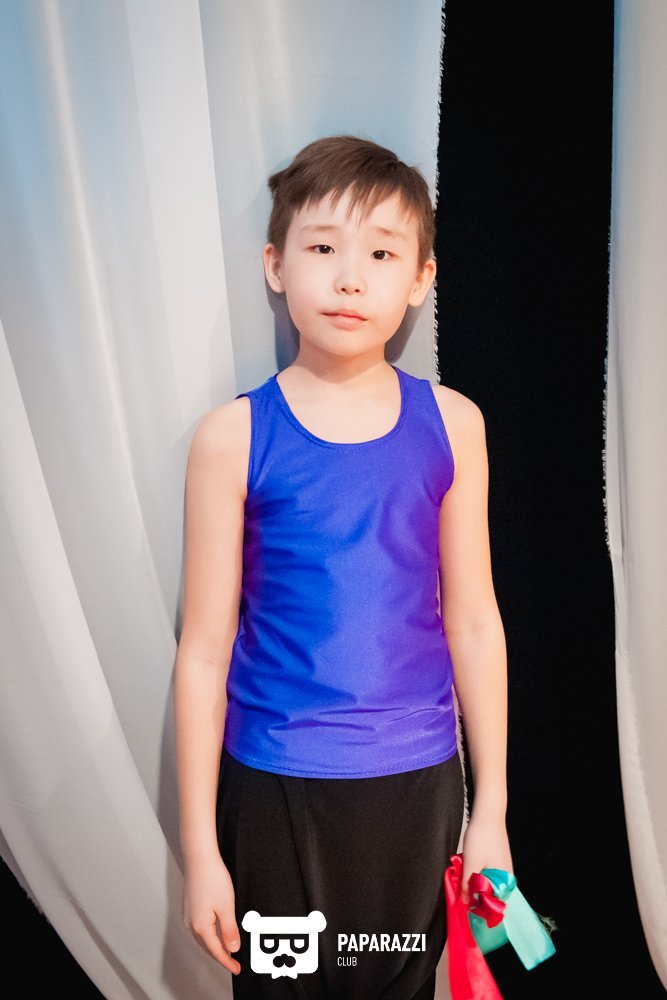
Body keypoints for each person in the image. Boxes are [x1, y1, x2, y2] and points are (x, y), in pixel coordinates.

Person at [174, 134, 513, 1000]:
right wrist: (200, 851)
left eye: (381, 255)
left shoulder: (452, 425)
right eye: (322, 248)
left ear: (421, 279)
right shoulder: (232, 437)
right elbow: (204, 651)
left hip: (415, 783)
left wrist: (491, 814)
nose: (350, 279)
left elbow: (474, 621)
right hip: (273, 784)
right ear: (276, 265)